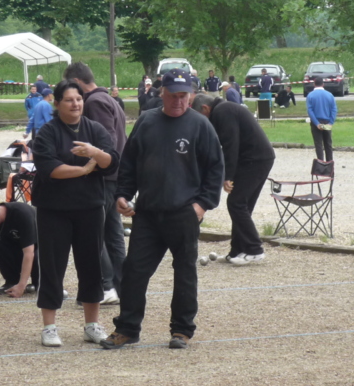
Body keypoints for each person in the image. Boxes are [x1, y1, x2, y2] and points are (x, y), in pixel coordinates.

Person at [101, 68, 224, 351]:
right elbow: (129, 163)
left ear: (191, 96)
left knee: (184, 272)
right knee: (134, 271)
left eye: (184, 96)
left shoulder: (200, 126)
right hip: (148, 212)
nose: (178, 101)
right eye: (173, 95)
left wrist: (202, 205)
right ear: (162, 93)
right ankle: (128, 329)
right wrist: (123, 194)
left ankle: (181, 330)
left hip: (184, 213)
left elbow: (216, 168)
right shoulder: (146, 122)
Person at [32, 79, 119, 347]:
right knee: (52, 265)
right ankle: (50, 327)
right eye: (69, 100)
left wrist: (95, 153)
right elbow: (50, 168)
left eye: (79, 99)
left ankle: (92, 324)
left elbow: (112, 161)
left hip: (90, 207)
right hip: (53, 210)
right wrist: (83, 169)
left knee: (91, 265)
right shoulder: (47, 132)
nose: (76, 104)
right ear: (57, 104)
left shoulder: (95, 129)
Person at [64, 62, 128, 304]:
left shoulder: (95, 102)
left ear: (78, 83)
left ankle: (107, 285)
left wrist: (90, 165)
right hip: (112, 175)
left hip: (105, 176)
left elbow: (107, 140)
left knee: (98, 234)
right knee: (111, 233)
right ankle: (121, 287)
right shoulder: (108, 99)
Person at [192, 93, 275, 265]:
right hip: (257, 158)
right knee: (242, 205)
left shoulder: (223, 111)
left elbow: (231, 144)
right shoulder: (224, 109)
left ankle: (254, 249)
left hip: (255, 159)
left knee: (236, 203)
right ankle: (237, 250)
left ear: (206, 109)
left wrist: (228, 176)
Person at [305, 76, 337, 162]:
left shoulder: (310, 95)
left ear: (314, 84)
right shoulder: (329, 95)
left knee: (318, 144)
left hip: (316, 122)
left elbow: (310, 110)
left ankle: (320, 164)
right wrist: (331, 122)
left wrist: (316, 123)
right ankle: (330, 164)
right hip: (327, 121)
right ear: (323, 84)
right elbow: (334, 109)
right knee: (328, 144)